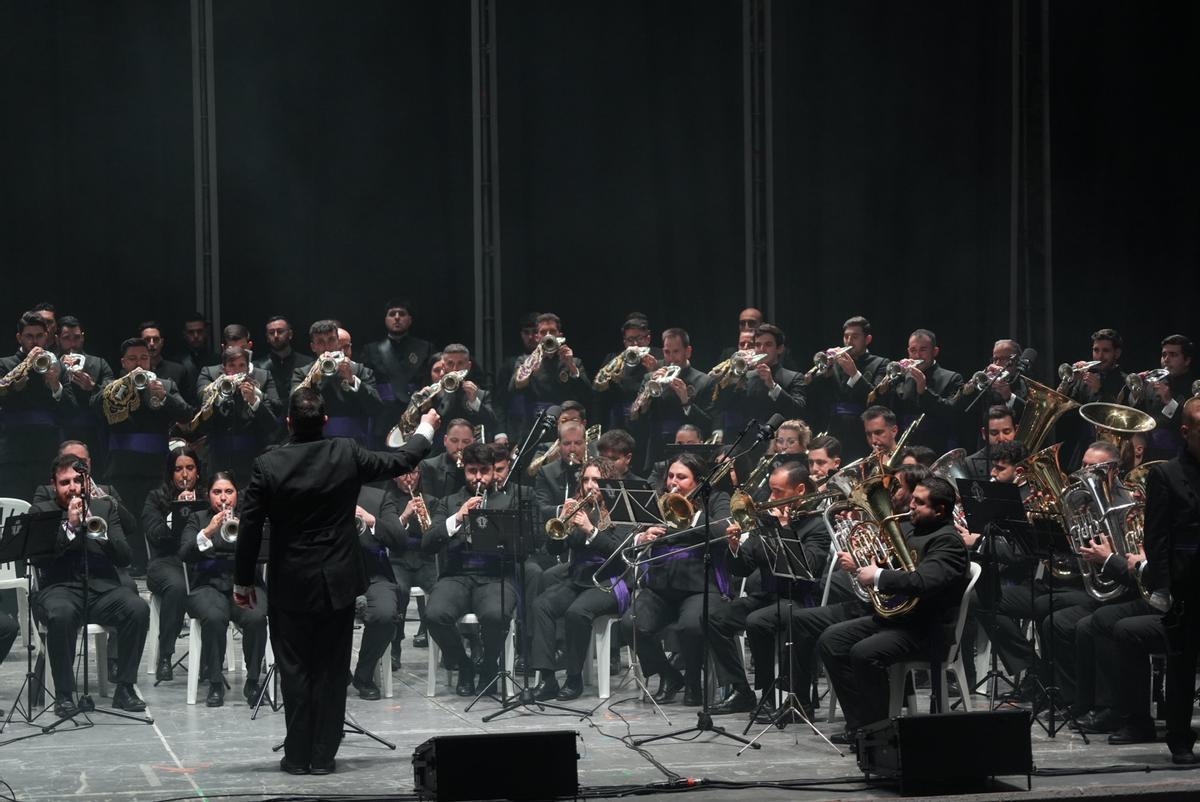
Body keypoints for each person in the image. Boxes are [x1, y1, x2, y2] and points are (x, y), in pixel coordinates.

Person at [233, 387, 438, 775]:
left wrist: (243, 582)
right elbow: (401, 460)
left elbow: (249, 528)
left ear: (289, 421)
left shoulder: (268, 465)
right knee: (330, 668)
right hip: (338, 581)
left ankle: (296, 757)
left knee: (294, 669)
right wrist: (426, 429)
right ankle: (324, 756)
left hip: (290, 582)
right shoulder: (346, 451)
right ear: (326, 421)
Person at [817, 476, 969, 741]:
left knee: (864, 653)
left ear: (940, 510)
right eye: (913, 499)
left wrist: (877, 575)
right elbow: (898, 568)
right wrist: (873, 561)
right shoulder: (912, 528)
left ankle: (879, 733)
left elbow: (923, 582)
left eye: (919, 503)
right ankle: (860, 725)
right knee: (831, 640)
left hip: (927, 629)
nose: (910, 505)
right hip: (900, 619)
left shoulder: (948, 542)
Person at [31, 454, 150, 716]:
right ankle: (64, 695)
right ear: (54, 485)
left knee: (138, 609)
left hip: (101, 589)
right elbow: (39, 559)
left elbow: (125, 557)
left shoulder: (104, 508)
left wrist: (100, 532)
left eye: (77, 480)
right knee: (61, 615)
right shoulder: (42, 512)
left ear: (86, 482)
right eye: (65, 482)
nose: (72, 487)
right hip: (58, 589)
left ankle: (125, 688)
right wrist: (71, 528)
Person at [618, 452, 737, 706]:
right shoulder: (658, 501)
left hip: (699, 585)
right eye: (671, 476)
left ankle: (694, 681)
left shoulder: (716, 498)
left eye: (682, 477)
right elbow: (632, 533)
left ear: (698, 481)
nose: (673, 482)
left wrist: (689, 513)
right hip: (660, 587)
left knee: (691, 627)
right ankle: (669, 675)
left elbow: (722, 531)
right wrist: (645, 534)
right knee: (631, 623)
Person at [724, 461, 830, 716]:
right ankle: (743, 690)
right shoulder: (765, 521)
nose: (771, 498)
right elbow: (744, 566)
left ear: (800, 490)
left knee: (758, 621)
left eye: (778, 492)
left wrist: (784, 529)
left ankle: (779, 696)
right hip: (768, 595)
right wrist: (734, 546)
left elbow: (811, 568)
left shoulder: (816, 524)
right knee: (716, 617)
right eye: (771, 490)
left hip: (801, 598)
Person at [423, 442, 519, 696]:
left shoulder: (509, 501)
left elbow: (524, 547)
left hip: (494, 575)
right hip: (457, 574)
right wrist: (458, 517)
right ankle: (464, 666)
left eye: (484, 471)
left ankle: (489, 668)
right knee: (434, 615)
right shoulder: (448, 501)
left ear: (492, 471)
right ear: (463, 469)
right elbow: (428, 542)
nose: (478, 477)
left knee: (496, 616)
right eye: (472, 470)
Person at [529, 457, 625, 701]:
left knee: (576, 612)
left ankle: (574, 679)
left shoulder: (621, 509)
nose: (590, 485)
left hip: (612, 580)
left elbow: (621, 554)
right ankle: (548, 678)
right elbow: (553, 550)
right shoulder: (580, 509)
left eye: (596, 480)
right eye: (586, 479)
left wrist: (590, 530)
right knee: (541, 605)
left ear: (609, 483)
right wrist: (563, 522)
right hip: (580, 577)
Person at [96, 337, 193, 575]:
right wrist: (123, 386)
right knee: (127, 519)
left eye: (143, 358)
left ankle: (158, 565)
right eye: (132, 359)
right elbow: (95, 405)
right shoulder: (112, 384)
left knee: (152, 517)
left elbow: (187, 415)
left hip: (156, 466)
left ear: (150, 360)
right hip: (122, 466)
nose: (138, 363)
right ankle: (128, 565)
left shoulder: (166, 384)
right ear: (123, 362)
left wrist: (164, 396)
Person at [1143, 396, 1200, 764]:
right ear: (1186, 431)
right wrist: (1162, 588)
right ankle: (1179, 740)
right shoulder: (1165, 474)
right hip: (1187, 583)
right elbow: (1156, 537)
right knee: (1182, 664)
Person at [181, 472, 268, 707]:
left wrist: (247, 534)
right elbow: (185, 553)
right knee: (214, 617)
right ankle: (215, 682)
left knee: (257, 617)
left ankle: (252, 681)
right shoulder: (197, 519)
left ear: (236, 495)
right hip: (207, 585)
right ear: (208, 495)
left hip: (243, 583)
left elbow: (266, 554)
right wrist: (208, 531)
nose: (223, 498)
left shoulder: (249, 518)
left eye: (228, 492)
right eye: (217, 492)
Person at [140, 447, 204, 681]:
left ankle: (209, 659)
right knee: (177, 587)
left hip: (198, 560)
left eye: (190, 468)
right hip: (165, 561)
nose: (184, 475)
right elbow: (154, 534)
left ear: (198, 471)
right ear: (170, 473)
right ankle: (165, 656)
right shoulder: (156, 498)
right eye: (178, 469)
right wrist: (176, 513)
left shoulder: (207, 496)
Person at [0, 311, 70, 500]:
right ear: (19, 338)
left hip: (46, 451)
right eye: (29, 336)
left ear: (47, 336)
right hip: (13, 453)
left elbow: (71, 409)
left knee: (46, 510)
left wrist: (56, 386)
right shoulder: (5, 365)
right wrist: (14, 388)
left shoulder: (57, 366)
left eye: (39, 336)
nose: (35, 341)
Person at [806, 316, 891, 461]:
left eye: (855, 337)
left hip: (861, 430)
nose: (849, 341)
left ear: (867, 339)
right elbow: (817, 395)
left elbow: (875, 399)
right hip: (833, 428)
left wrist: (854, 373)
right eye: (846, 336)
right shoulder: (835, 363)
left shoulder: (881, 363)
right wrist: (824, 376)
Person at [193, 346, 281, 481]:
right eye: (232, 366)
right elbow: (203, 422)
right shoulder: (211, 378)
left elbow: (272, 428)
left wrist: (254, 401)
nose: (237, 370)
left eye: (241, 366)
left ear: (247, 368)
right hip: (218, 461)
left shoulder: (259, 385)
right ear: (224, 368)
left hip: (252, 462)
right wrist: (221, 396)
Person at [349, 482, 404, 699]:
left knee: (385, 614)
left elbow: (399, 539)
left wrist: (371, 520)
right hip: (332, 573)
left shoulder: (379, 497)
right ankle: (337, 672)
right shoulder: (319, 493)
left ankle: (364, 674)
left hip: (373, 573)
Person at [872, 328, 964, 454]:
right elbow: (888, 408)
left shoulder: (953, 377)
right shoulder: (901, 377)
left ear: (935, 351)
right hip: (903, 444)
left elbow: (951, 411)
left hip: (936, 443)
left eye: (923, 349)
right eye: (913, 350)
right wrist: (886, 385)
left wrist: (923, 390)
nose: (917, 355)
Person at [291, 320, 382, 446]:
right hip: (315, 443)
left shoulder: (360, 370)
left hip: (354, 443)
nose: (327, 347)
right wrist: (313, 377)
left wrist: (352, 380)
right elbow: (294, 406)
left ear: (338, 342)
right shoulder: (302, 373)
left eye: (331, 340)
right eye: (321, 342)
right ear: (313, 347)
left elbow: (376, 407)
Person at [385, 466, 439, 662]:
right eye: (404, 473)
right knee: (398, 591)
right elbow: (387, 536)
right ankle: (395, 645)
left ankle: (444, 645)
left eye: (414, 472)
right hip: (399, 559)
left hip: (425, 560)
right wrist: (405, 516)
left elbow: (436, 538)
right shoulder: (387, 501)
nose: (409, 478)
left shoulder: (431, 501)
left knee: (441, 591)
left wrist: (429, 527)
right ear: (394, 477)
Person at [362, 298, 434, 444]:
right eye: (392, 314)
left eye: (402, 314)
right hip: (382, 415)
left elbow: (430, 380)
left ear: (410, 319)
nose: (397, 317)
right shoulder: (371, 349)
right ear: (385, 319)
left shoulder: (425, 347)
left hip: (416, 411)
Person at [712, 323, 805, 436]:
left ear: (780, 349)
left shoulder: (795, 377)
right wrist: (733, 378)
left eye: (768, 344)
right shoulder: (745, 376)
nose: (762, 349)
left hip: (778, 442)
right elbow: (721, 406)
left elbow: (798, 411)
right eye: (758, 345)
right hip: (746, 443)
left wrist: (772, 385)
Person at [508, 313, 591, 440]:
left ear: (559, 335)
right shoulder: (524, 360)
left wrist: (571, 366)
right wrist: (529, 369)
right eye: (543, 332)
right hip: (534, 426)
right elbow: (512, 390)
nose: (548, 335)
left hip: (565, 426)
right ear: (537, 337)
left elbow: (587, 394)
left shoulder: (574, 361)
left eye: (552, 331)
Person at [55, 315, 115, 473]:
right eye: (66, 338)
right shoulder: (50, 363)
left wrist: (93, 387)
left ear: (83, 337)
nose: (72, 343)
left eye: (76, 337)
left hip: (93, 433)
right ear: (58, 339)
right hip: (59, 431)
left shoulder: (99, 363)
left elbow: (113, 395)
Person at [1135, 334, 1195, 460]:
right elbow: (1137, 415)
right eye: (1164, 355)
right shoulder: (1153, 382)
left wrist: (1169, 401)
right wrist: (1136, 392)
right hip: (1148, 452)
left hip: (1179, 455)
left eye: (1173, 355)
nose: (1166, 360)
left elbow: (1191, 425)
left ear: (1187, 360)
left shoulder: (1194, 388)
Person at [254, 315, 314, 400]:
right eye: (271, 332)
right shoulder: (258, 366)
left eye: (280, 331)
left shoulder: (307, 363)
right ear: (267, 337)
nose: (275, 336)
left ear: (290, 334)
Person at [961, 405, 1018, 481]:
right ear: (984, 434)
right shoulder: (968, 465)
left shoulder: (1027, 460)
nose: (1001, 438)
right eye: (994, 433)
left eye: (1006, 432)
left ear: (1016, 431)